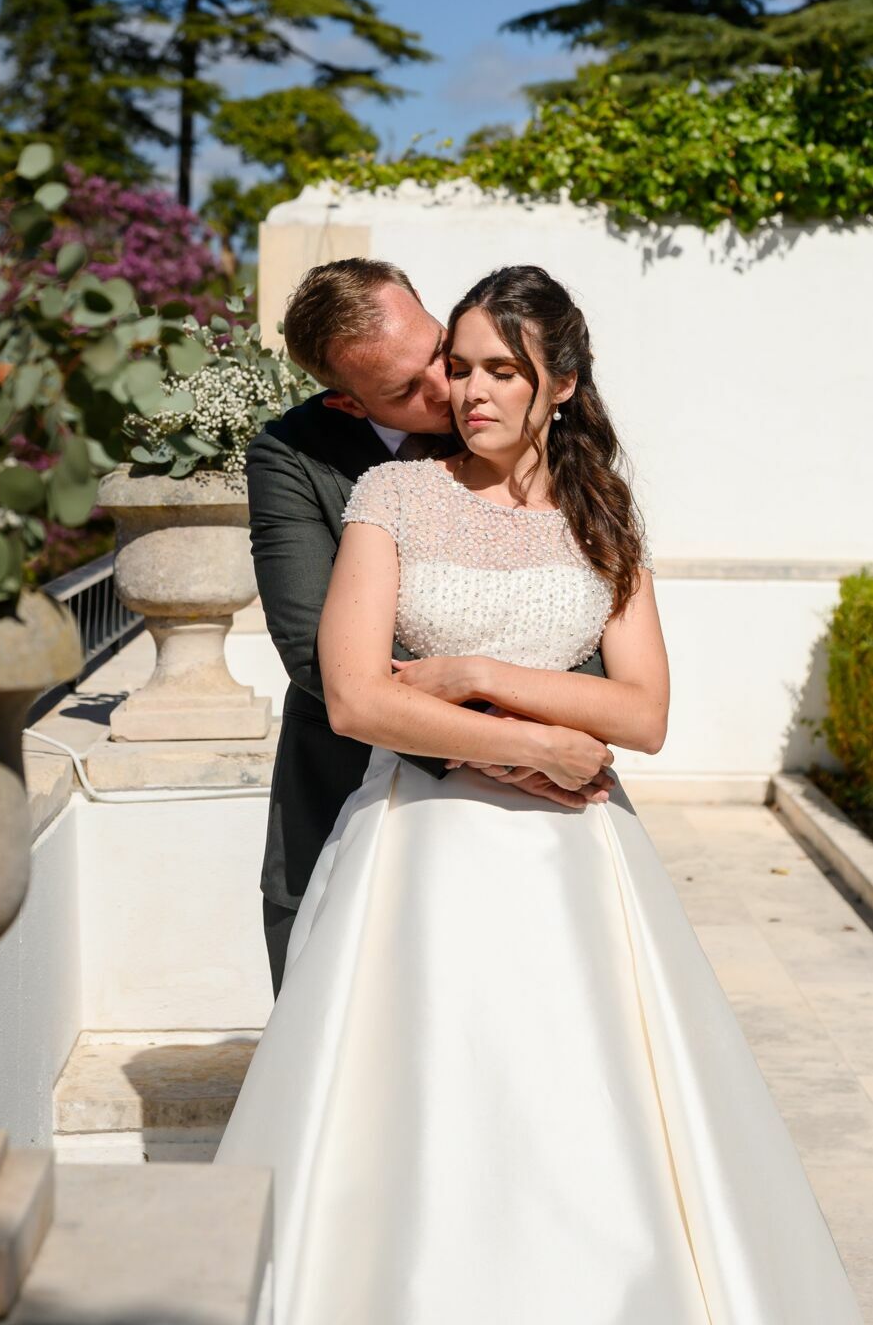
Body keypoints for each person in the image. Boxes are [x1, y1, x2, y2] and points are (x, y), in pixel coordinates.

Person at [217, 264, 862, 1324]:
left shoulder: (603, 512)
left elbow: (646, 713)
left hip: (575, 855)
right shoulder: (384, 491)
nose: (461, 388)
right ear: (352, 398)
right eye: (452, 369)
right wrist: (533, 746)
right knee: (423, 1105)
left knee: (589, 1106)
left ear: (557, 382)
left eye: (489, 367)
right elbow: (348, 688)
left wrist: (478, 675)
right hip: (417, 847)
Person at [246, 258, 612, 995]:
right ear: (349, 405)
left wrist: (535, 729)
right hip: (354, 793)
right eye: (405, 390)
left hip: (546, 812)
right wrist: (513, 744)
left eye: (437, 352)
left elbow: (583, 619)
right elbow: (316, 657)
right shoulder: (290, 457)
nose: (451, 389)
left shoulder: (539, 436)